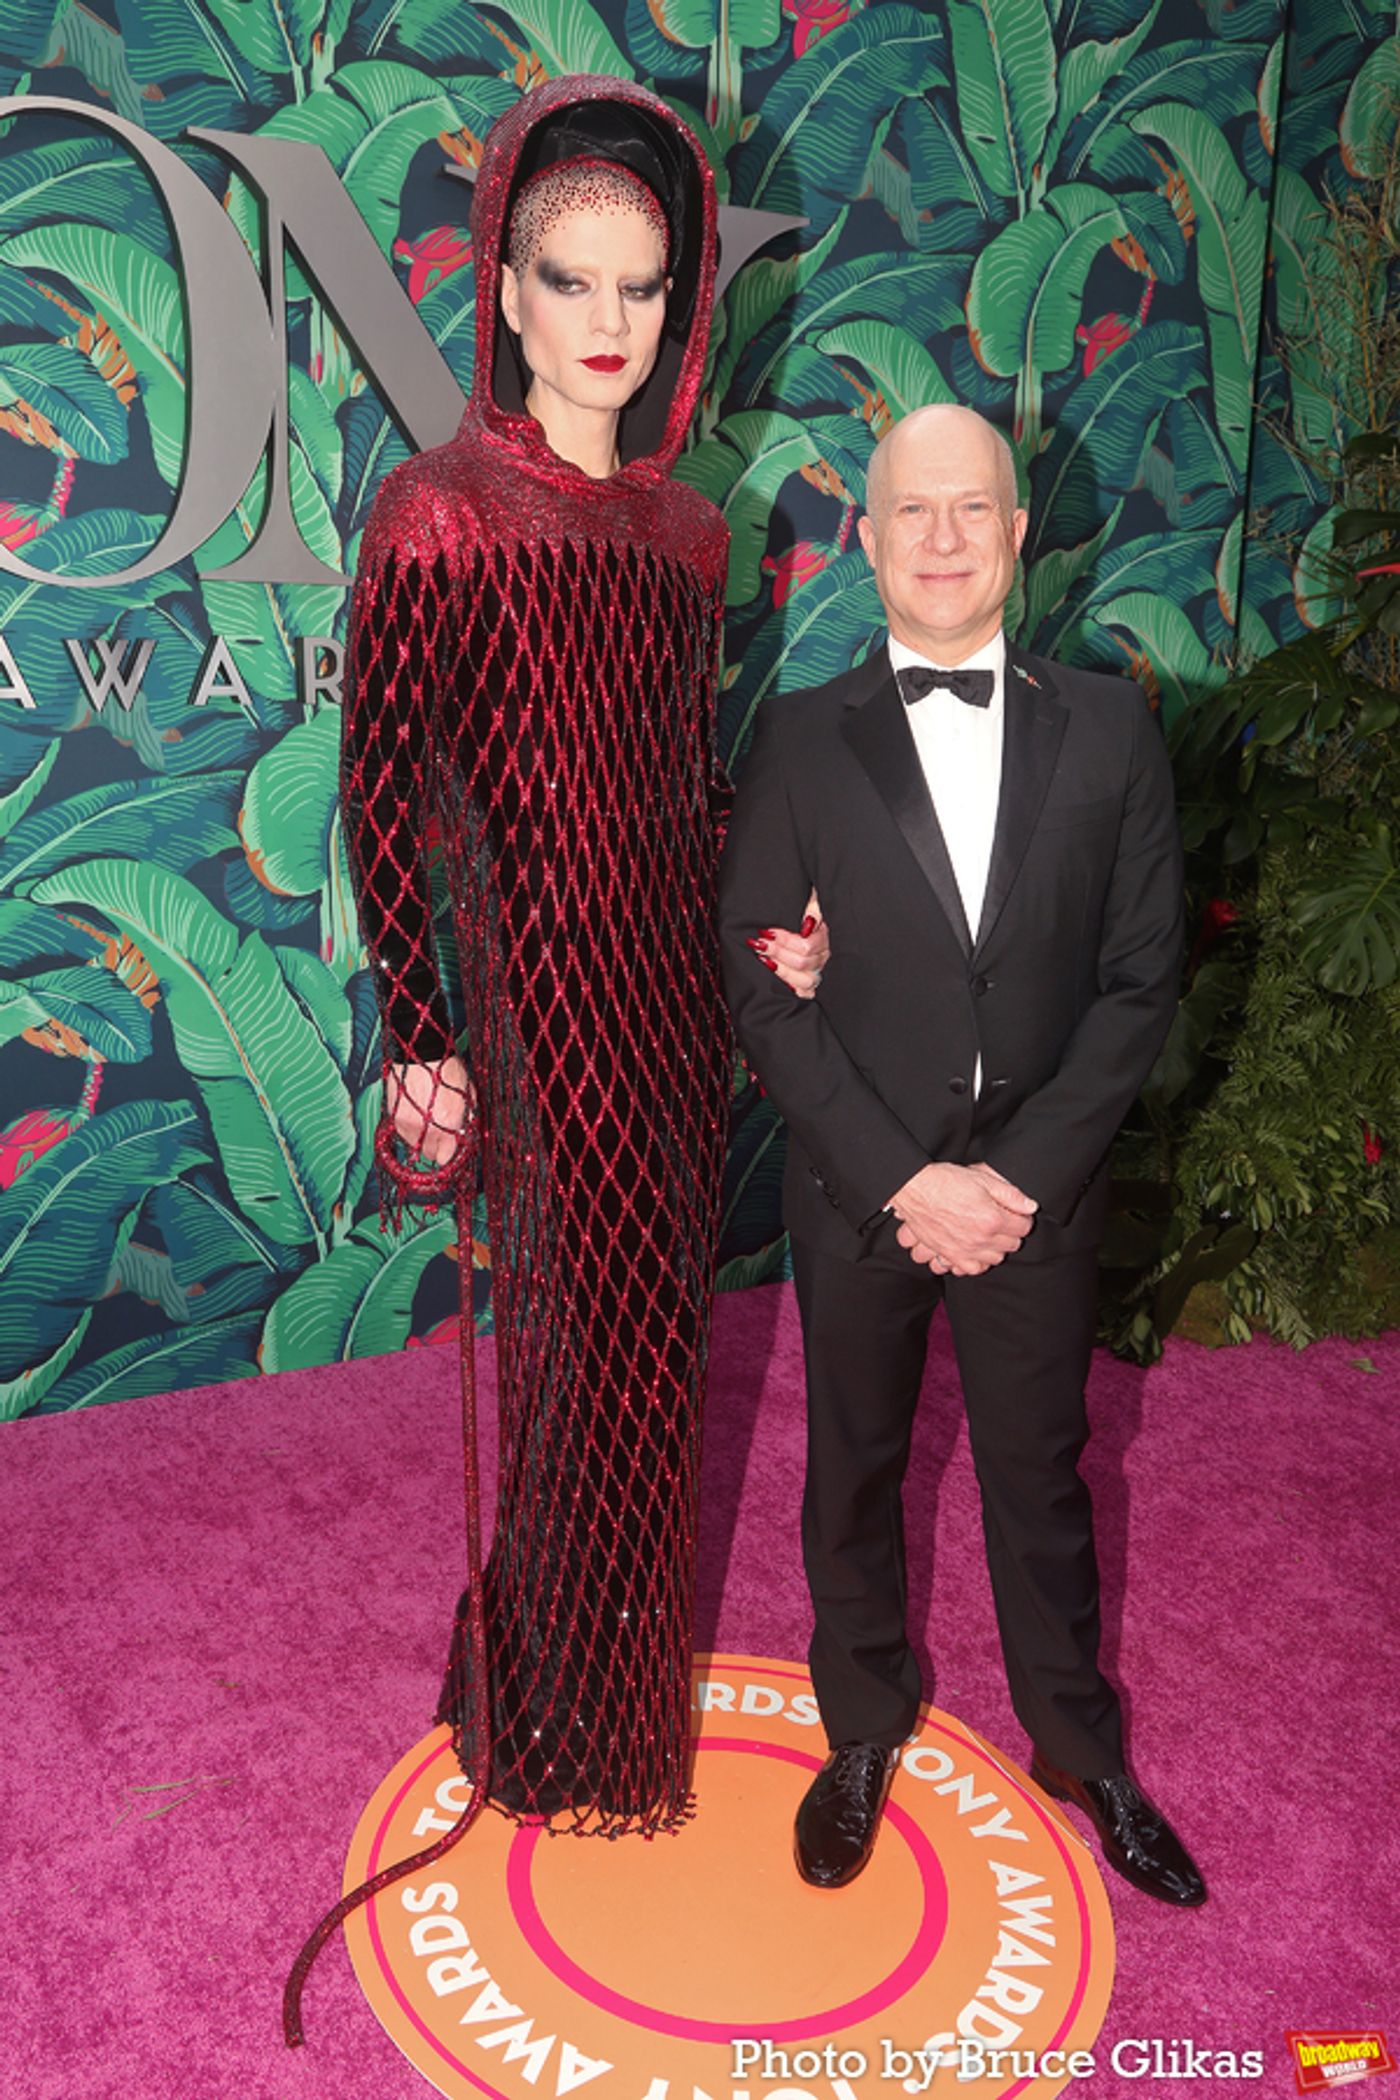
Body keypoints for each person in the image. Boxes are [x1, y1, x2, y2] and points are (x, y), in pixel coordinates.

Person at [285, 75, 825, 2045]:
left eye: (644, 284)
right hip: (533, 1003)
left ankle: (557, 1695)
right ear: (504, 289)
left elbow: (689, 792)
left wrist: (761, 939)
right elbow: (381, 798)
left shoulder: (689, 533)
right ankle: (553, 1726)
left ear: (678, 306)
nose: (607, 319)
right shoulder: (438, 513)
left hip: (672, 1007)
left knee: (652, 1357)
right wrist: (420, 1033)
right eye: (567, 278)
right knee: (578, 1363)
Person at [718, 403, 1206, 1908]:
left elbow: (1140, 984)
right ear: (863, 541)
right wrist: (902, 1175)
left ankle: (1081, 1742)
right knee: (852, 1470)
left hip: (1034, 1201)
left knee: (1041, 1475)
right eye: (909, 513)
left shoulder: (1114, 728)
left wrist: (1020, 1179)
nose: (941, 539)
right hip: (863, 1190)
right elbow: (755, 980)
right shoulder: (799, 738)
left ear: (1014, 530)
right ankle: (859, 1725)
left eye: (970, 510)